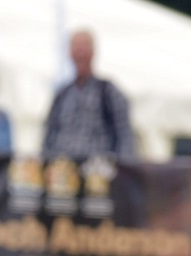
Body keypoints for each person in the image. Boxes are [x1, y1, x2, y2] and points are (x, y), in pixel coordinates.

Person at [42, 29, 135, 161]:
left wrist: (123, 170)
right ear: (69, 52)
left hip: (97, 172)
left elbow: (125, 136)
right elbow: (49, 136)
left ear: (93, 51)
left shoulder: (108, 92)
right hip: (64, 172)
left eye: (84, 46)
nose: (80, 51)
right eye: (75, 46)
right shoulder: (62, 95)